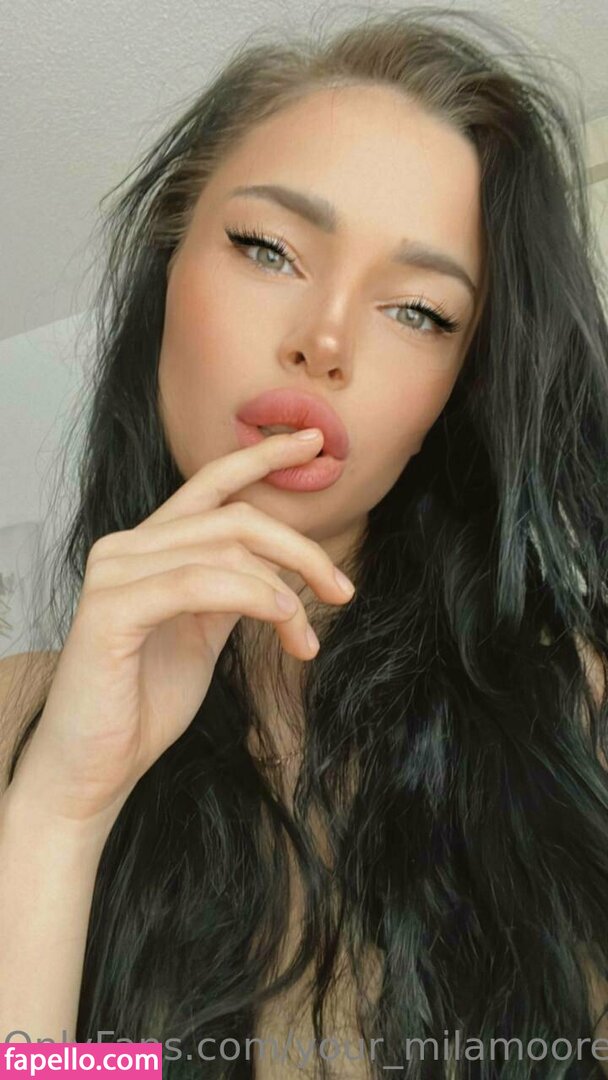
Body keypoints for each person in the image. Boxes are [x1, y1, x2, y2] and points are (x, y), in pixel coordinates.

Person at [1, 6, 607, 1079]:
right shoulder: (19, 725)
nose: (324, 341)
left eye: (418, 311)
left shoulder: (578, 724)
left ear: (449, 402)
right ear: (167, 270)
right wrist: (62, 814)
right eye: (268, 249)